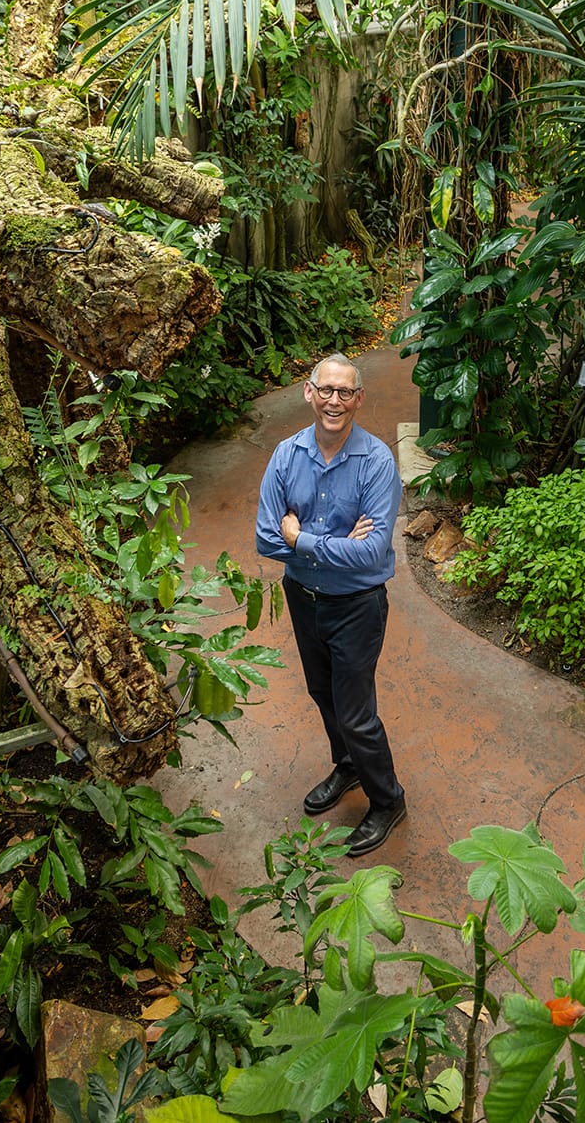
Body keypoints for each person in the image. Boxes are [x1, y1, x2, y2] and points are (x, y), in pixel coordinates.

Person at [255, 352, 406, 856]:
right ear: (309, 392)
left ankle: (387, 800)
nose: (334, 401)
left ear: (359, 399)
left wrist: (300, 538)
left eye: (345, 392)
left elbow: (371, 551)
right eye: (327, 390)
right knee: (323, 694)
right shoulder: (286, 455)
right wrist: (335, 542)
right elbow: (264, 538)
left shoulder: (378, 462)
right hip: (302, 598)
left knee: (356, 711)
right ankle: (347, 767)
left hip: (357, 606)